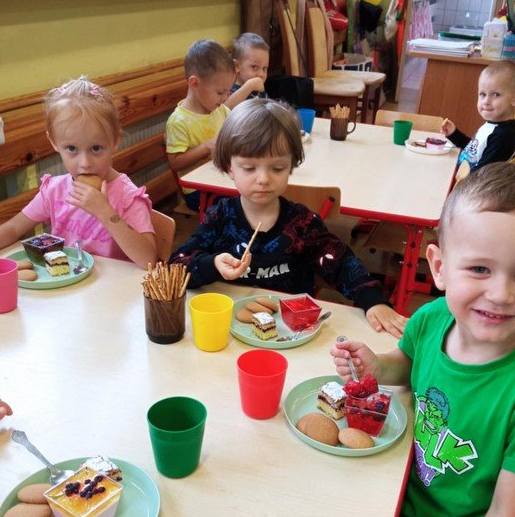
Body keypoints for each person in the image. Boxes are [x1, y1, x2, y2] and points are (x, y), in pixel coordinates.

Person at [331, 163, 515, 517]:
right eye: (479, 269)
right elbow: (407, 364)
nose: (499, 294)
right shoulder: (432, 318)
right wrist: (377, 367)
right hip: (391, 490)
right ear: (439, 267)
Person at [169, 98, 407, 338]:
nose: (263, 179)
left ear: (292, 165)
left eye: (277, 168)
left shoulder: (302, 223)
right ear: (230, 167)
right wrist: (212, 264)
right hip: (231, 334)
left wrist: (372, 300)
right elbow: (176, 267)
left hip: (291, 335)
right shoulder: (221, 217)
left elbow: (342, 263)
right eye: (249, 168)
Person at [0, 77, 157, 269]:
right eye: (72, 149)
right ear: (54, 142)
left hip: (114, 286)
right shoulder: (54, 191)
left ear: (115, 140)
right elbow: (13, 228)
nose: (85, 164)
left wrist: (104, 211)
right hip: (67, 283)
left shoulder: (128, 197)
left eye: (96, 148)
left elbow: (148, 259)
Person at [166, 40, 236, 211]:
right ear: (195, 83)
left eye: (228, 91)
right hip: (197, 190)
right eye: (220, 92)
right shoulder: (179, 121)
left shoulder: (221, 110)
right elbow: (175, 163)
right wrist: (205, 147)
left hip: (222, 177)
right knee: (243, 200)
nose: (225, 97)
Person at [441, 61, 515, 172]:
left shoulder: (504, 136)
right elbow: (473, 151)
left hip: (470, 182)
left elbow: (483, 172)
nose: (486, 101)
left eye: (495, 94)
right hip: (462, 176)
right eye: (482, 94)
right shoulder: (493, 125)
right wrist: (454, 134)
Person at [225, 32, 269, 108]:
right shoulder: (230, 90)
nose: (261, 74)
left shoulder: (258, 88)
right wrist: (249, 86)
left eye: (264, 68)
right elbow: (225, 109)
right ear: (236, 66)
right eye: (254, 67)